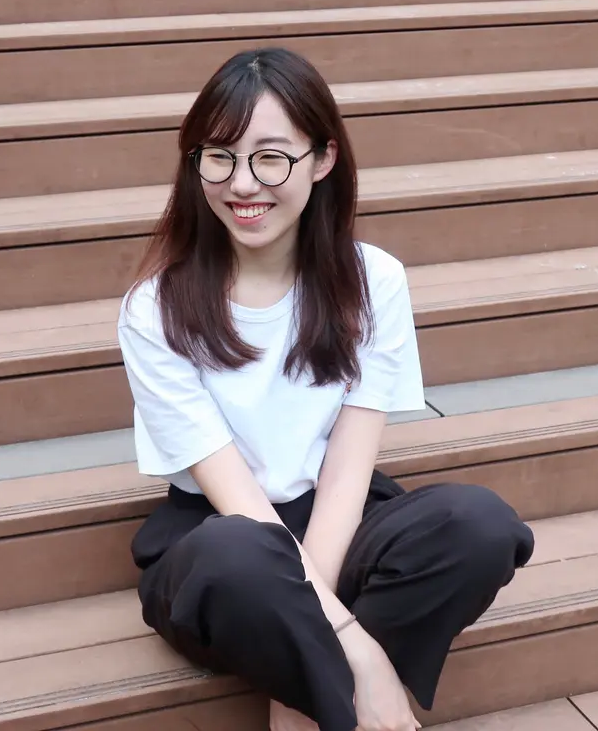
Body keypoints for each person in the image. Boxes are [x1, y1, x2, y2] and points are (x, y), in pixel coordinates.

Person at [116, 47, 535, 731]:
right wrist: (356, 650)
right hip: (224, 540)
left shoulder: (373, 282)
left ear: (323, 159)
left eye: (271, 158)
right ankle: (354, 695)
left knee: (476, 525)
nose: (242, 184)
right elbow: (238, 502)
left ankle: (301, 700)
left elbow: (347, 469)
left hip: (340, 519)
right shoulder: (154, 310)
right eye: (218, 157)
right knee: (242, 559)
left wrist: (314, 646)